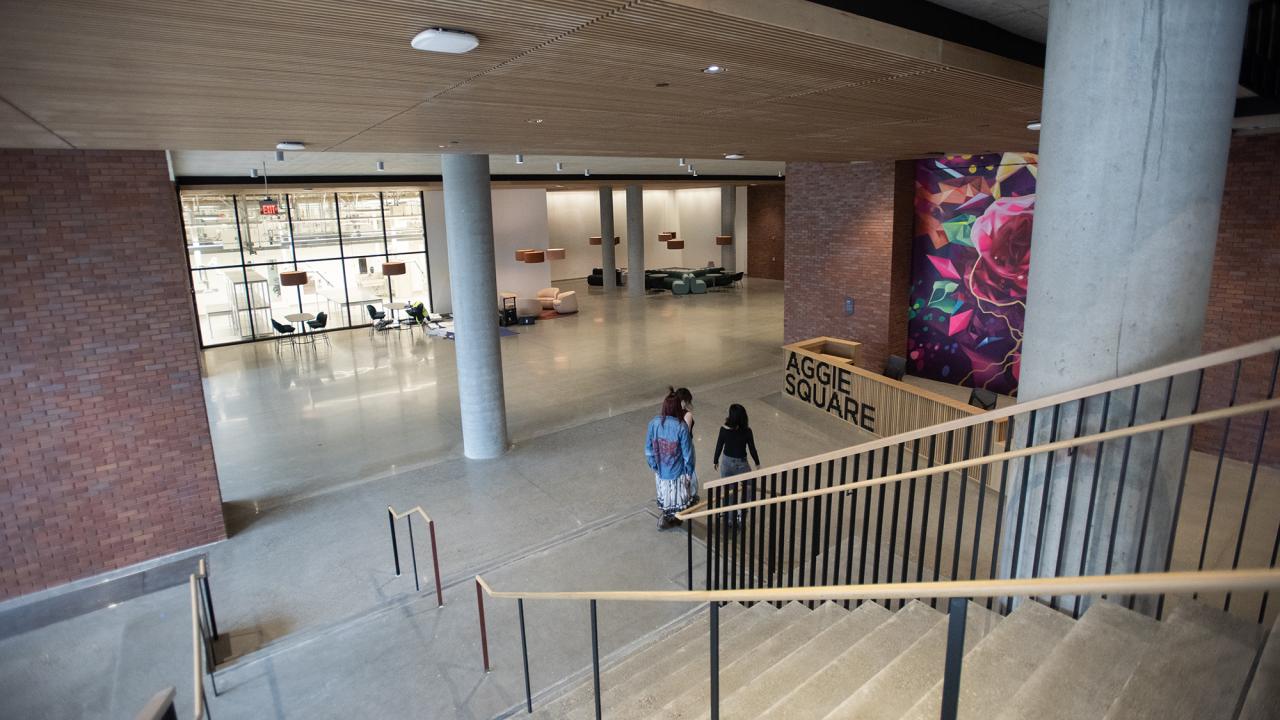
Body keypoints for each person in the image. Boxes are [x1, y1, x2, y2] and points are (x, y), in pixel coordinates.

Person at [646, 389, 695, 529]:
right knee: (676, 498)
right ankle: (674, 519)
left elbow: (648, 450)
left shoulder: (653, 423)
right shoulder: (681, 427)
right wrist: (689, 472)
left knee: (665, 496)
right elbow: (687, 454)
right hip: (676, 471)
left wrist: (654, 466)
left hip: (661, 470)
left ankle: (665, 518)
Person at [713, 403, 760, 527]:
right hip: (741, 464)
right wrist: (757, 463)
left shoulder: (724, 429)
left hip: (726, 463)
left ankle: (729, 518)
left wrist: (715, 460)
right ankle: (741, 513)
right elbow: (752, 449)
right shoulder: (747, 431)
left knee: (729, 491)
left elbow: (719, 445)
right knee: (749, 486)